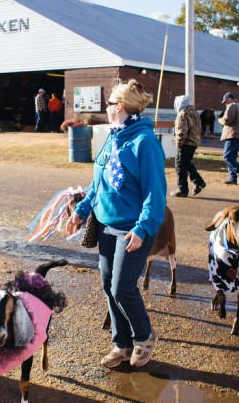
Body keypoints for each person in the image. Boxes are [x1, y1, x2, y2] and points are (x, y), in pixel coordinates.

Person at [65, 79, 166, 369]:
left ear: (118, 107)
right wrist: (82, 210)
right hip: (107, 226)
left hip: (133, 228)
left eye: (109, 102)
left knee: (123, 287)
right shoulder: (113, 136)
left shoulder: (144, 142)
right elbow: (99, 183)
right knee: (109, 285)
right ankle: (121, 344)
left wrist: (143, 228)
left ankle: (144, 336)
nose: (106, 107)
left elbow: (155, 194)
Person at [171, 95, 206, 197]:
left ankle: (183, 190)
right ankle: (198, 181)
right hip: (194, 142)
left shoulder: (182, 114)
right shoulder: (194, 113)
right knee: (186, 163)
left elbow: (182, 131)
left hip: (185, 143)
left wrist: (179, 143)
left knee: (180, 165)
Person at [218, 91, 239, 185]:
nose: (225, 104)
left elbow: (227, 120)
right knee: (232, 158)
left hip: (232, 134)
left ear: (229, 99)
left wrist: (220, 120)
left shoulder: (231, 106)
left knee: (227, 156)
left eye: (225, 102)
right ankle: (232, 178)